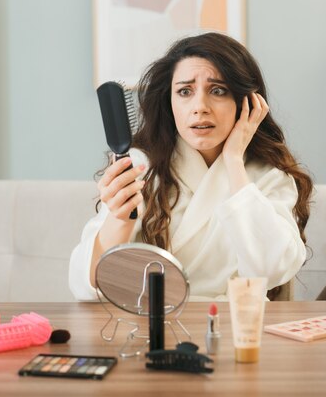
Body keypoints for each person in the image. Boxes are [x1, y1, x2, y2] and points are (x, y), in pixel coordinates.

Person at [69, 32, 313, 301]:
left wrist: (233, 162)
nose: (200, 107)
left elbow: (273, 269)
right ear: (169, 102)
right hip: (152, 327)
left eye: (218, 91)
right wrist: (118, 217)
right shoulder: (139, 168)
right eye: (185, 92)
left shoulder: (269, 178)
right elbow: (88, 285)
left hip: (232, 326)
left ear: (246, 102)